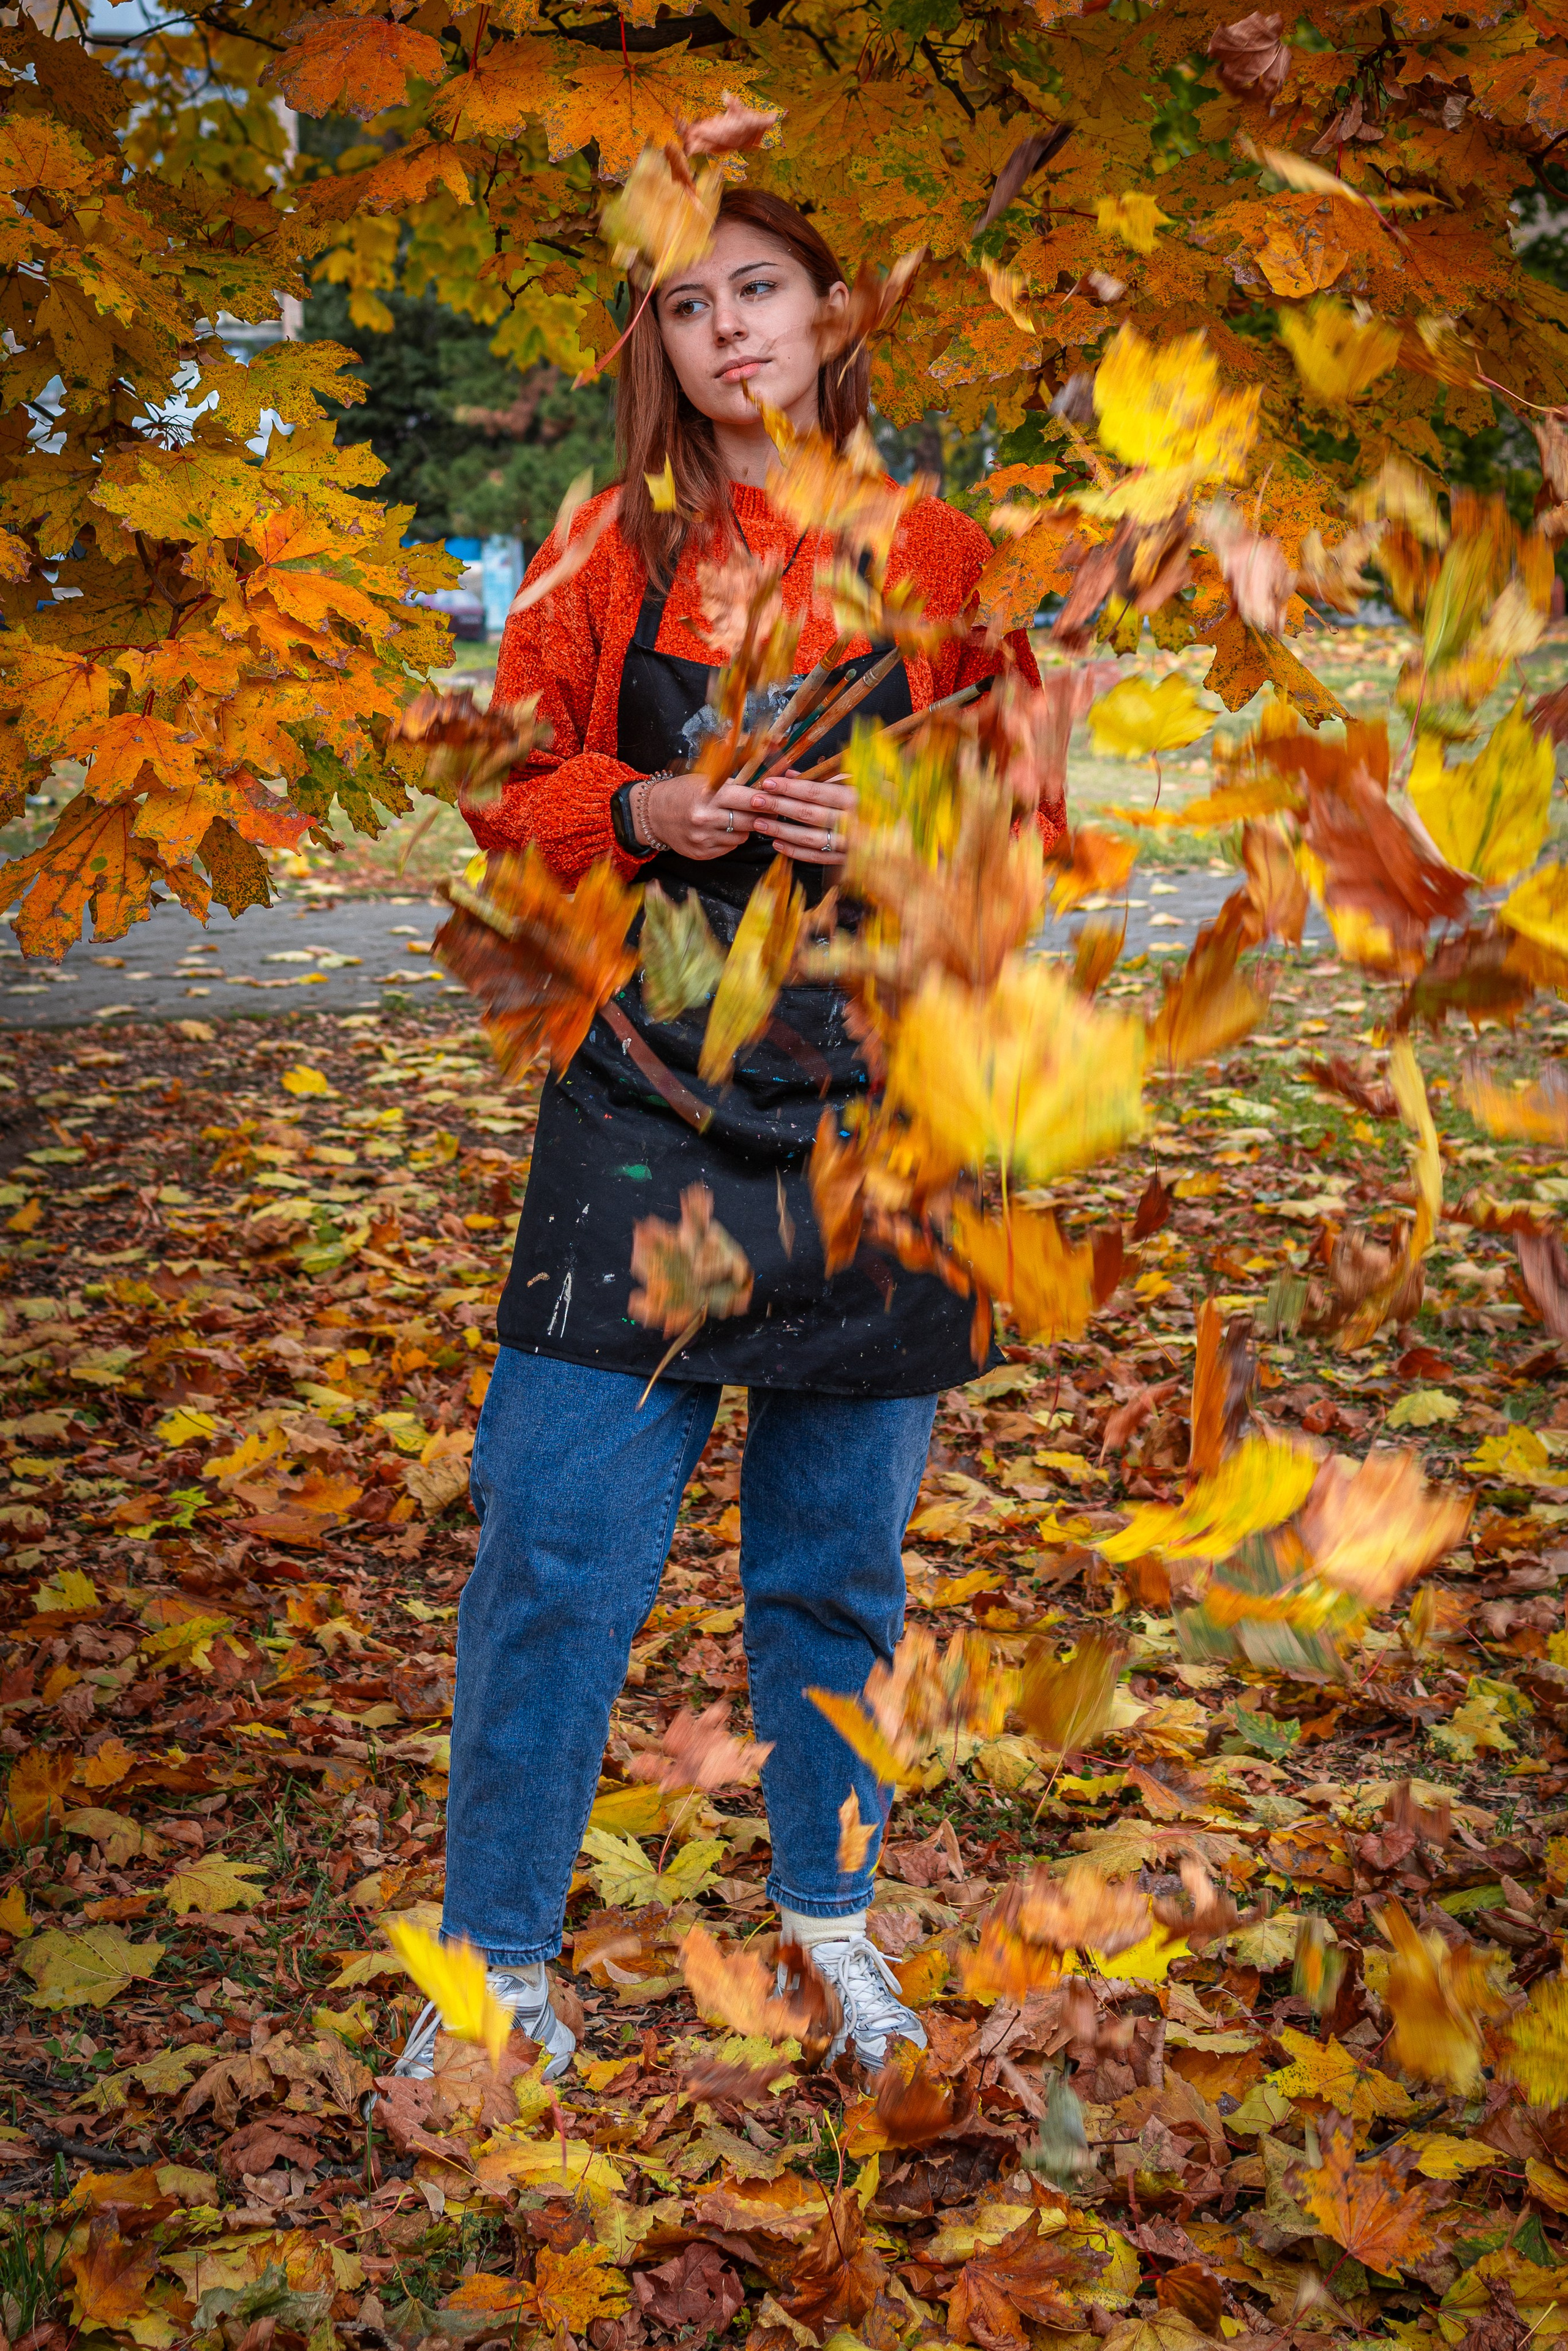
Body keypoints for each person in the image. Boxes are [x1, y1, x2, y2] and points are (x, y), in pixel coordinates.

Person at [396, 187, 1058, 2083]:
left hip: (883, 1113)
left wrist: (912, 833)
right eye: (685, 306)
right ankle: (497, 1972)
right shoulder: (608, 545)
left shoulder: (939, 554)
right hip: (646, 1097)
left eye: (757, 289)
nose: (728, 331)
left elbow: (1027, 840)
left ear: (833, 311)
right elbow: (499, 781)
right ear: (659, 348)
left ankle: (830, 1927)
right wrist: (647, 809)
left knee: (838, 1570)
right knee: (554, 1541)